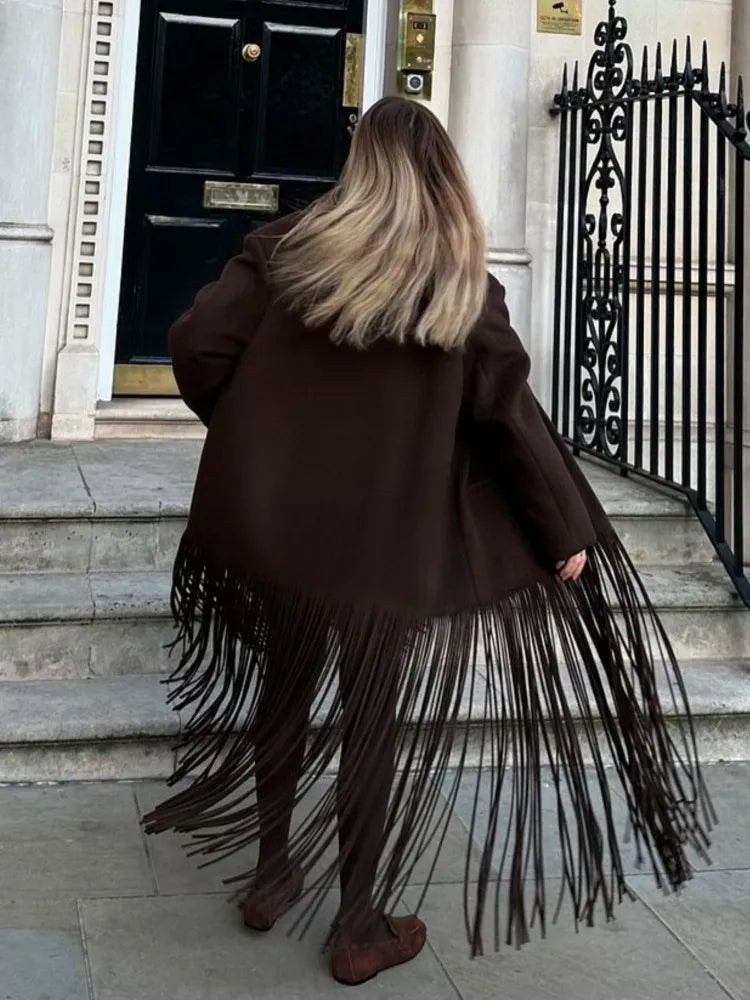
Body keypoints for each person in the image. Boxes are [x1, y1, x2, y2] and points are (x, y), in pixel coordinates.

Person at [142, 96, 713, 986]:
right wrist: (564, 529)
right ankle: (359, 923)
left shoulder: (285, 251)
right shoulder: (460, 285)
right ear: (441, 174)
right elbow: (510, 419)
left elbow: (195, 348)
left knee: (284, 691)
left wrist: (255, 437)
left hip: (284, 531)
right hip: (388, 548)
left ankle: (270, 876)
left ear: (360, 165)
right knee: (373, 723)